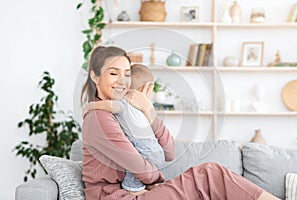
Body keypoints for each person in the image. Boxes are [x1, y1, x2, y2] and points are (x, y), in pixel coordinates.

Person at [81, 45, 279, 199]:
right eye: (114, 73)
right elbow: (141, 169)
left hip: (136, 192)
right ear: (95, 76)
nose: (122, 82)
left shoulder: (125, 111)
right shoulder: (99, 118)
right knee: (210, 174)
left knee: (209, 181)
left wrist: (148, 110)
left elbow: (169, 152)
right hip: (120, 197)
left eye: (126, 74)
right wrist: (158, 182)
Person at [82, 64, 167, 194]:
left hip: (143, 151)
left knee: (130, 186)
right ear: (147, 88)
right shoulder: (146, 107)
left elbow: (110, 106)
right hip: (157, 150)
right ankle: (150, 186)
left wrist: (90, 106)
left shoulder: (124, 102)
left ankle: (141, 192)